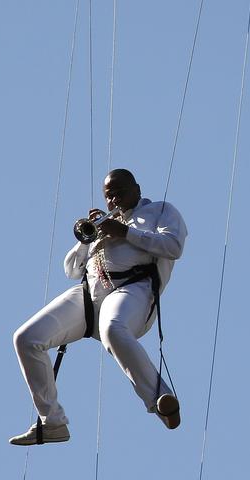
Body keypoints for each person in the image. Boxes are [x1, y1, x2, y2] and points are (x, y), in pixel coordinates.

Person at [9, 169, 187, 445]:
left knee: (113, 329)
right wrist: (87, 239)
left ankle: (159, 401)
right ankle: (52, 422)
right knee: (26, 338)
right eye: (109, 195)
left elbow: (173, 246)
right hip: (90, 294)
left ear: (137, 189)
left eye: (120, 192)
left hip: (133, 289)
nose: (114, 199)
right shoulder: (106, 222)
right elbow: (71, 269)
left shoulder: (160, 211)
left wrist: (125, 232)